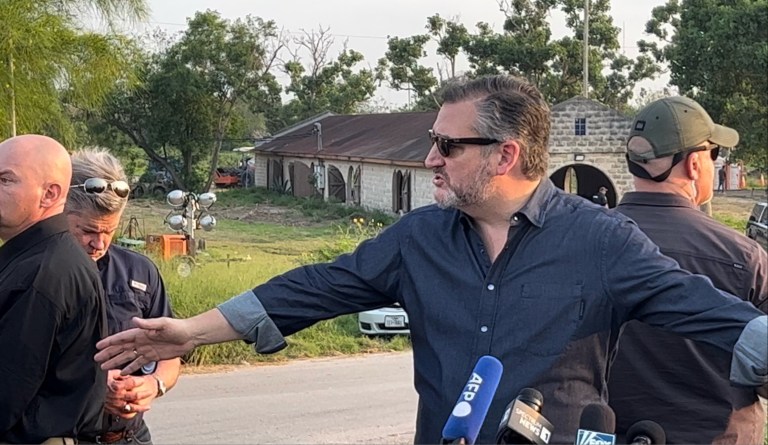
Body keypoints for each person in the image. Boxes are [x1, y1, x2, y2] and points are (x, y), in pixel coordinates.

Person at [94, 75, 768, 444]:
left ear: (504, 155)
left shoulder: (602, 241)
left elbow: (706, 309)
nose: (430, 159)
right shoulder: (419, 238)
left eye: (448, 146)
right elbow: (318, 288)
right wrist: (188, 329)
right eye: (432, 142)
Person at [608, 96, 768, 444]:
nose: (715, 163)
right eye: (714, 154)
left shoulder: (581, 243)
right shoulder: (745, 256)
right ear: (695, 164)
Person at [66, 148, 181, 444]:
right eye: (88, 230)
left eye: (110, 231)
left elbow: (171, 353)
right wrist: (90, 386)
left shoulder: (140, 271)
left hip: (130, 436)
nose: (99, 243)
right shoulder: (38, 274)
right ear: (61, 211)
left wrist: (153, 385)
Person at [0, 135, 106, 443]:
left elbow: (6, 393)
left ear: (49, 194)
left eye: (5, 179)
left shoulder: (41, 274)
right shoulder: (36, 258)